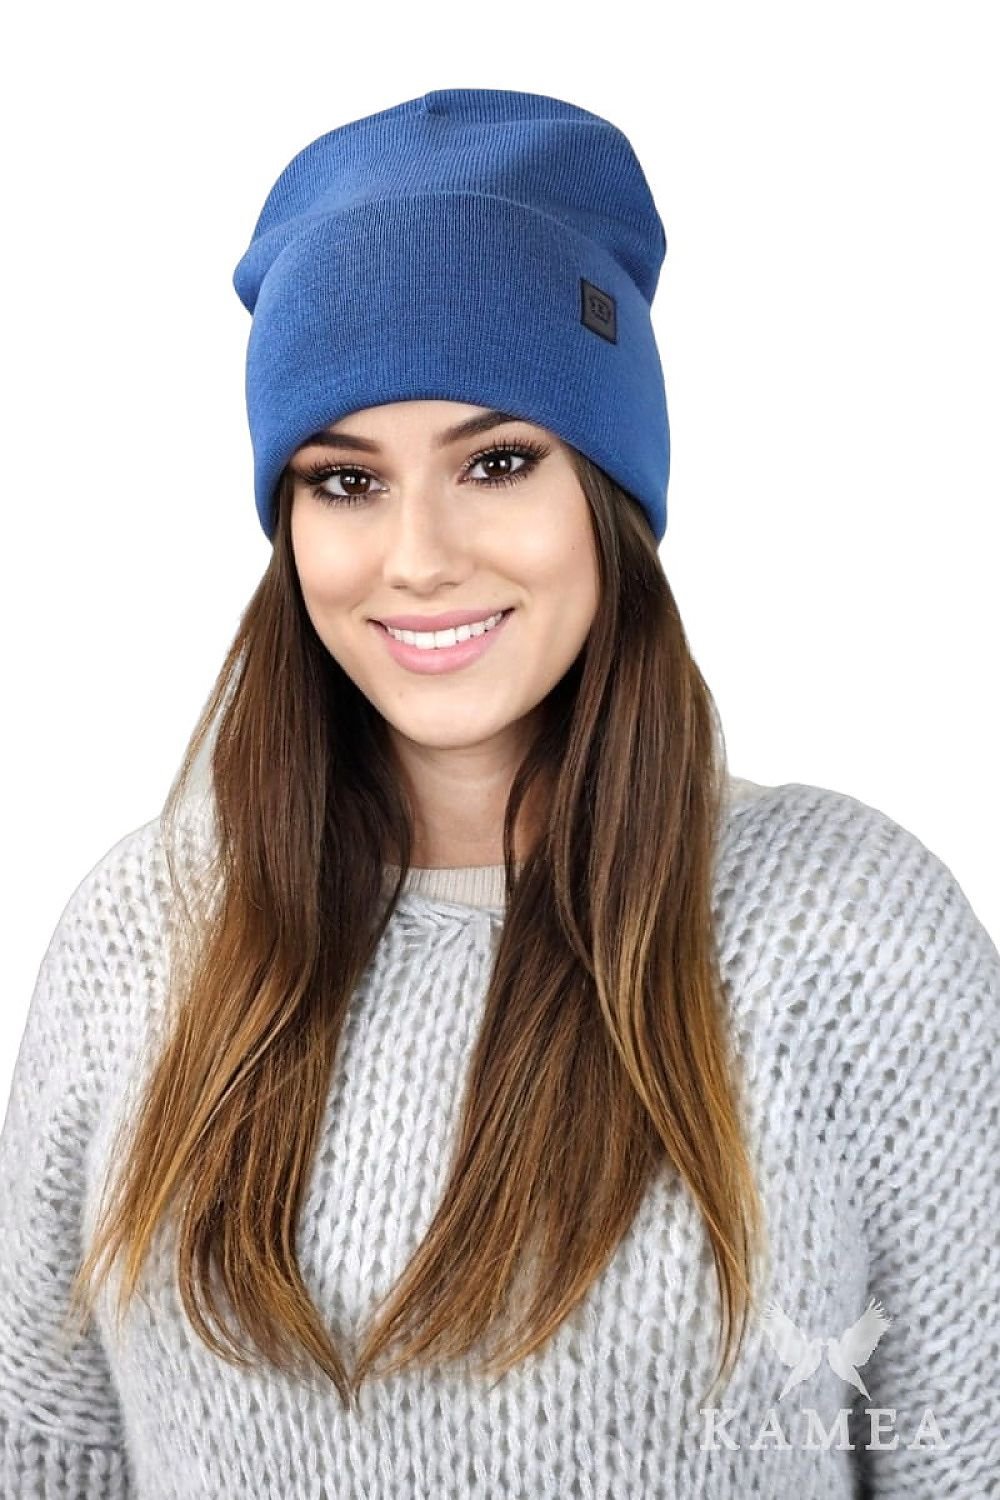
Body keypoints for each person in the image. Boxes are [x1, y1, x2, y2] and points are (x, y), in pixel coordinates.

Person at [1, 87, 996, 1500]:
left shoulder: (851, 933)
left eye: (499, 462)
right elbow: (47, 1453)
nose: (418, 556)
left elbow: (966, 1454)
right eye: (345, 482)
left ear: (609, 495)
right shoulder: (139, 935)